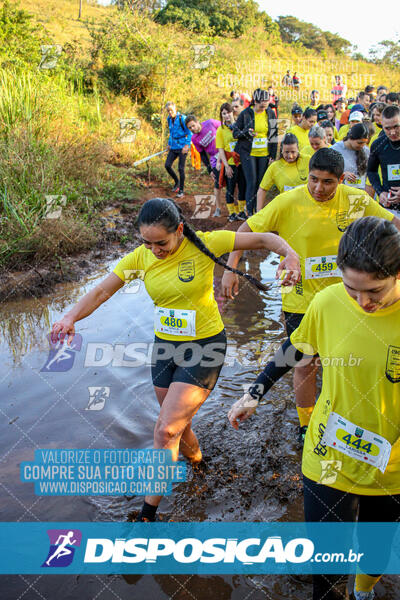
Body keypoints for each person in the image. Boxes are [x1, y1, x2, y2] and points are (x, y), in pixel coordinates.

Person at [50, 197, 300, 522]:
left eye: (162, 243)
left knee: (166, 431)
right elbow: (100, 292)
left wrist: (291, 255)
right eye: (147, 243)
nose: (155, 250)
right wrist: (69, 317)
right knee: (178, 426)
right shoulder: (140, 258)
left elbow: (265, 238)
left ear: (179, 229)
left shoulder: (209, 242)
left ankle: (146, 515)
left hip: (205, 346)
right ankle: (200, 465)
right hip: (165, 349)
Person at [229, 216, 400, 600]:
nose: (363, 302)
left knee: (374, 554)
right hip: (328, 452)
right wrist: (254, 393)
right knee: (328, 560)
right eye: (351, 288)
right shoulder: (327, 302)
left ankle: (364, 591)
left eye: (375, 290)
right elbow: (296, 349)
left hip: (392, 468)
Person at [223, 148, 400, 441]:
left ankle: (350, 417)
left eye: (328, 182)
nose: (319, 188)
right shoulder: (288, 202)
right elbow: (244, 229)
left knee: (344, 360)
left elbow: (391, 225)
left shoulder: (356, 200)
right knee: (303, 359)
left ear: (342, 180)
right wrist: (231, 269)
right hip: (303, 298)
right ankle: (307, 425)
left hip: (351, 297)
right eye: (314, 180)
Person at [232, 88, 278, 216]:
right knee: (251, 182)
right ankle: (249, 213)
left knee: (260, 183)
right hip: (248, 153)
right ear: (255, 102)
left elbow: (274, 135)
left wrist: (273, 155)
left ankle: (258, 212)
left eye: (266, 103)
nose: (263, 107)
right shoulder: (246, 114)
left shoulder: (270, 113)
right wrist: (246, 132)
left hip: (264, 153)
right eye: (261, 104)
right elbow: (235, 133)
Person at [256, 133, 309, 211]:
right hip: (287, 209)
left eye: (293, 152)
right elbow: (262, 189)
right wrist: (259, 211)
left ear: (298, 149)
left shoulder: (308, 160)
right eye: (286, 152)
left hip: (307, 207)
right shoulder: (275, 167)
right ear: (281, 150)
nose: (290, 156)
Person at [185, 114, 222, 217]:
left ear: (198, 122)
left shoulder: (210, 123)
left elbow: (224, 128)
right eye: (190, 128)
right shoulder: (194, 139)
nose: (192, 129)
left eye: (193, 125)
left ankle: (239, 206)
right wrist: (209, 169)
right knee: (217, 183)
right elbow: (202, 154)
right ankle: (218, 209)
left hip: (225, 153)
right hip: (214, 157)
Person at [215, 102, 247, 222]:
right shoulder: (221, 130)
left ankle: (241, 211)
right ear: (221, 115)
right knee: (230, 187)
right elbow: (221, 149)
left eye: (228, 112)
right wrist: (227, 166)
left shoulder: (239, 126)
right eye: (224, 114)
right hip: (230, 162)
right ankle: (232, 213)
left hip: (242, 161)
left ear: (232, 112)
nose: (226, 115)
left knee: (243, 186)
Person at [368, 104, 400, 211]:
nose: (392, 132)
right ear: (382, 125)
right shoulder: (378, 145)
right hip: (389, 205)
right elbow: (371, 171)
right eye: (387, 128)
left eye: (396, 126)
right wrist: (380, 192)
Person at [332, 123, 372, 193]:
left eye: (364, 143)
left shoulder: (366, 150)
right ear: (350, 138)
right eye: (359, 143)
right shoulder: (335, 149)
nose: (362, 146)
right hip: (342, 192)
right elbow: (327, 171)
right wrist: (342, 174)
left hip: (361, 192)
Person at [164, 102, 192, 198]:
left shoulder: (182, 118)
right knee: (167, 165)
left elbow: (189, 132)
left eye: (171, 110)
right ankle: (177, 181)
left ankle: (181, 190)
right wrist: (169, 144)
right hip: (174, 147)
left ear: (175, 108)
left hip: (182, 147)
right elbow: (171, 133)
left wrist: (186, 146)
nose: (170, 112)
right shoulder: (169, 119)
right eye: (168, 111)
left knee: (181, 168)